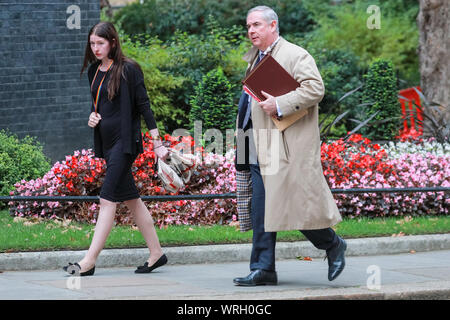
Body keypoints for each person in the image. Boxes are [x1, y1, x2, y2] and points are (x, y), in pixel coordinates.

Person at [234, 6, 347, 286]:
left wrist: (280, 104)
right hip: (255, 142)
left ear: (273, 26)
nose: (251, 30)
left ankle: (332, 244)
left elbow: (315, 88)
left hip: (282, 145)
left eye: (257, 25)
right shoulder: (256, 58)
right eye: (248, 26)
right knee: (262, 207)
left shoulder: (295, 54)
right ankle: (263, 269)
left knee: (293, 206)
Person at [63, 22, 168, 276]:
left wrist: (157, 143)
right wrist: (92, 117)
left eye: (100, 43)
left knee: (106, 199)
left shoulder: (128, 69)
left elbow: (144, 106)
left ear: (112, 42)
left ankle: (88, 261)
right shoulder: (93, 71)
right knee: (132, 200)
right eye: (92, 44)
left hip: (125, 143)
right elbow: (99, 107)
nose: (96, 48)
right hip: (107, 143)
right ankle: (157, 253)